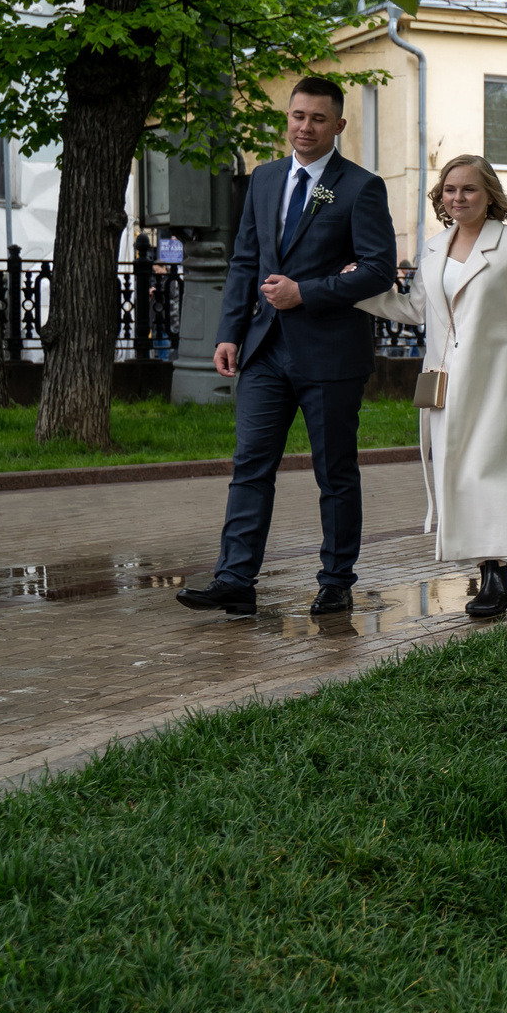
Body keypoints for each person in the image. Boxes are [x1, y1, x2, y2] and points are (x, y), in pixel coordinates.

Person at [177, 78, 396, 617]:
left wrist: (308, 292)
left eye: (318, 119)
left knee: (334, 472)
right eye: (297, 116)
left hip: (330, 355)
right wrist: (229, 332)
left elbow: (379, 270)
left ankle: (336, 579)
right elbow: (246, 260)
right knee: (250, 466)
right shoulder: (266, 178)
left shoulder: (359, 187)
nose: (305, 127)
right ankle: (235, 579)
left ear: (339, 126)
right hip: (264, 351)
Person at [357, 155, 507, 620]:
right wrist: (353, 290)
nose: (458, 197)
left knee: (489, 470)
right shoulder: (434, 249)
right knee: (454, 470)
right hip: (444, 382)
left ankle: (497, 575)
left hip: (497, 379)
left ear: (490, 194)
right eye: (450, 189)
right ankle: (487, 568)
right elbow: (416, 310)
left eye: (469, 189)